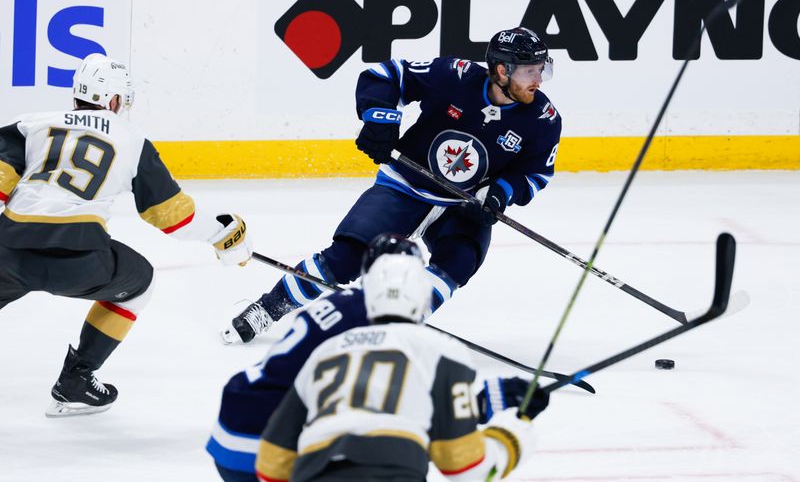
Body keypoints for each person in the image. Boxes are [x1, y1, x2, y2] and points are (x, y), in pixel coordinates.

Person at [222, 26, 562, 344]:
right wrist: (380, 119)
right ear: (502, 71)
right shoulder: (455, 76)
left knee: (458, 261)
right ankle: (268, 308)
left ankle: (400, 325)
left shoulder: (544, 120)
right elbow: (387, 76)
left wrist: (500, 193)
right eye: (529, 70)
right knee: (344, 259)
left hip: (464, 205)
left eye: (541, 69)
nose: (539, 79)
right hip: (405, 185)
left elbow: (535, 173)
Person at [0, 53, 253, 417]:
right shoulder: (132, 140)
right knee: (141, 281)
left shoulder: (32, 125)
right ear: (114, 100)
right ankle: (77, 379)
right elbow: (173, 218)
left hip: (10, 250)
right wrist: (224, 234)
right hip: (81, 260)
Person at [207, 234, 548, 482]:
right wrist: (507, 429)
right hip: (262, 438)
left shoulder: (347, 313)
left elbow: (372, 399)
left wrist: (475, 403)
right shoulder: (406, 337)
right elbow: (389, 418)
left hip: (242, 426)